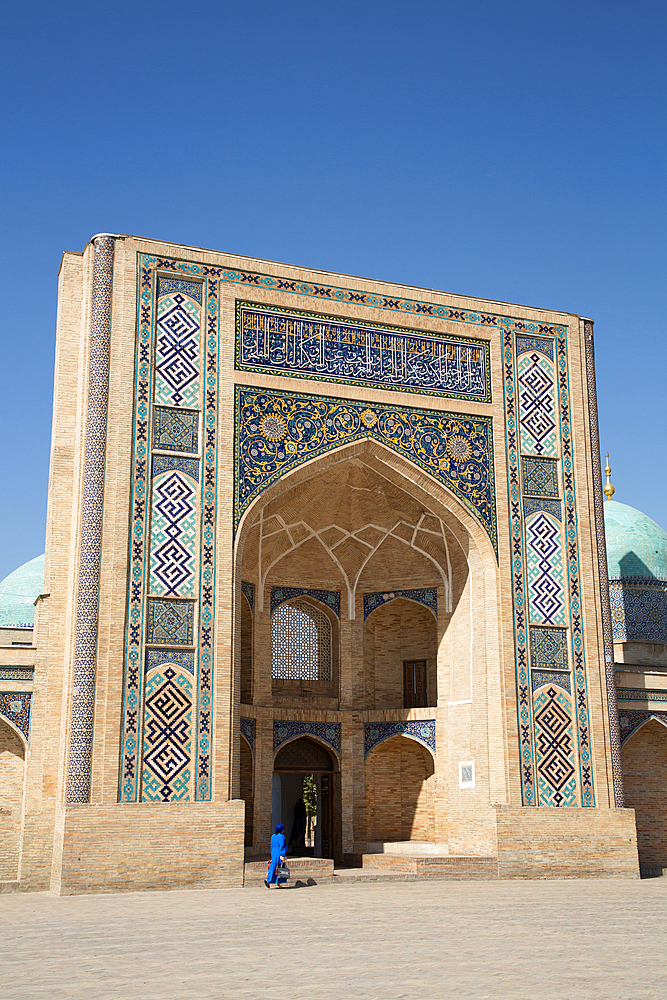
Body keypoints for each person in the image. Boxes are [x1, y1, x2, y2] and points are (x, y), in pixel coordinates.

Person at [265, 824, 288, 888]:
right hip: (278, 853)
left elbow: (272, 846)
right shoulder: (281, 836)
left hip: (273, 853)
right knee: (278, 868)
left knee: (273, 866)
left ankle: (277, 882)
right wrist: (282, 855)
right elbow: (282, 846)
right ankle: (269, 879)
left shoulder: (273, 836)